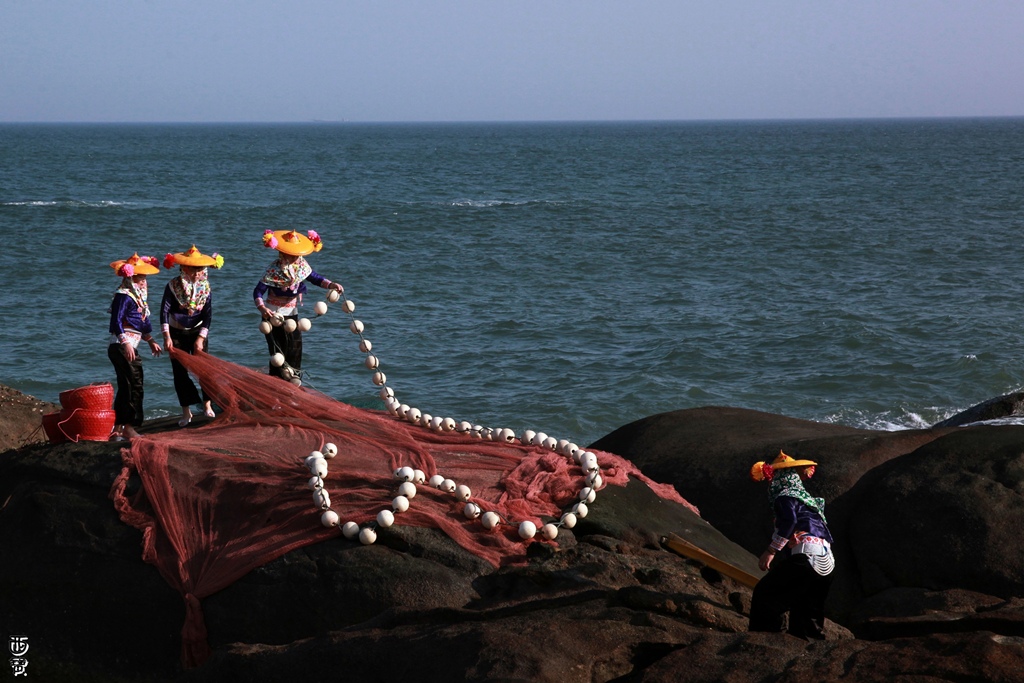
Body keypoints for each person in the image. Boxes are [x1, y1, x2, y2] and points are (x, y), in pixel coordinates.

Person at [748, 450, 835, 639]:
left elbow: (789, 521)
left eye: (772, 478)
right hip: (827, 561)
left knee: (766, 595)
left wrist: (771, 550)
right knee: (806, 609)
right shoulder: (808, 500)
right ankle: (809, 649)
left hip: (806, 558)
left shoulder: (785, 496)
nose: (770, 483)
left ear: (780, 478)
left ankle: (766, 641)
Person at [253, 229, 343, 381]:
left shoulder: (301, 266)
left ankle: (294, 386)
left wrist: (331, 285)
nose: (295, 258)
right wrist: (262, 308)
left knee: (295, 350)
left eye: (296, 255)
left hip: (292, 314)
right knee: (278, 355)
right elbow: (257, 292)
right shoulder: (273, 270)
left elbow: (315, 278)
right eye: (291, 255)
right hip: (272, 315)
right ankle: (275, 388)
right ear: (283, 254)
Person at [161, 245, 224, 427]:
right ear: (184, 268)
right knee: (179, 373)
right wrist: (167, 337)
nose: (198, 273)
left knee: (204, 369)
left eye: (200, 269)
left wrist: (201, 338)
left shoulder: (205, 287)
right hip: (176, 332)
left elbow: (208, 314)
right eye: (194, 269)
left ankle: (207, 404)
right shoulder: (172, 286)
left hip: (197, 331)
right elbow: (164, 312)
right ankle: (186, 411)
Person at [108, 252, 163, 440]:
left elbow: (140, 324)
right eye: (140, 278)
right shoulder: (123, 296)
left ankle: (118, 427)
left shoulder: (136, 297)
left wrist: (150, 341)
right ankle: (129, 426)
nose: (144, 282)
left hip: (129, 344)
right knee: (135, 384)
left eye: (145, 278)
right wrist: (126, 344)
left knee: (126, 386)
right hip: (122, 345)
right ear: (131, 277)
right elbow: (117, 321)